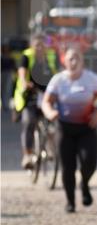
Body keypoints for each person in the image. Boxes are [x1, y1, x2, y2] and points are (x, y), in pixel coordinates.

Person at [42, 46, 97, 212]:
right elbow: (46, 101)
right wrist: (50, 112)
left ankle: (85, 183)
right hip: (64, 128)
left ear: (82, 61)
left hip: (87, 128)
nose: (73, 62)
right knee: (68, 167)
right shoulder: (58, 80)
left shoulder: (91, 79)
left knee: (89, 162)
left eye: (77, 58)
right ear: (64, 61)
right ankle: (70, 201)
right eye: (70, 59)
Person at [14, 35, 59, 168]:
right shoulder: (26, 56)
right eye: (36, 45)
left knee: (53, 121)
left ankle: (51, 147)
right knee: (29, 121)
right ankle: (27, 154)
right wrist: (24, 83)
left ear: (46, 46)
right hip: (31, 94)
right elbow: (22, 72)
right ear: (32, 45)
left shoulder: (51, 56)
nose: (39, 48)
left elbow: (58, 73)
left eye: (42, 45)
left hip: (48, 94)